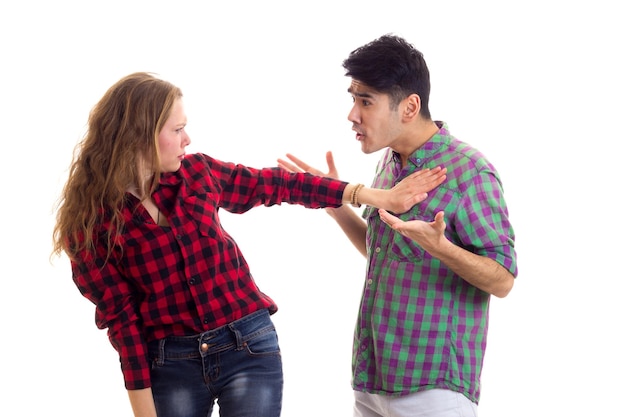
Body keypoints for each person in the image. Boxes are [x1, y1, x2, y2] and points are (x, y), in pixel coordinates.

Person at [51, 71, 447, 417]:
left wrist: (374, 196)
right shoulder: (89, 226)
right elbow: (123, 325)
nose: (187, 138)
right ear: (139, 135)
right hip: (170, 364)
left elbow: (278, 184)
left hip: (247, 346)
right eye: (176, 130)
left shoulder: (197, 174)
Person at [278, 34, 518, 417]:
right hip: (373, 380)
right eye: (353, 98)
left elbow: (503, 279)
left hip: (433, 389)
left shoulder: (470, 172)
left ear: (409, 107)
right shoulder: (390, 163)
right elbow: (382, 248)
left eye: (366, 101)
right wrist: (336, 204)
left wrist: (443, 249)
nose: (352, 114)